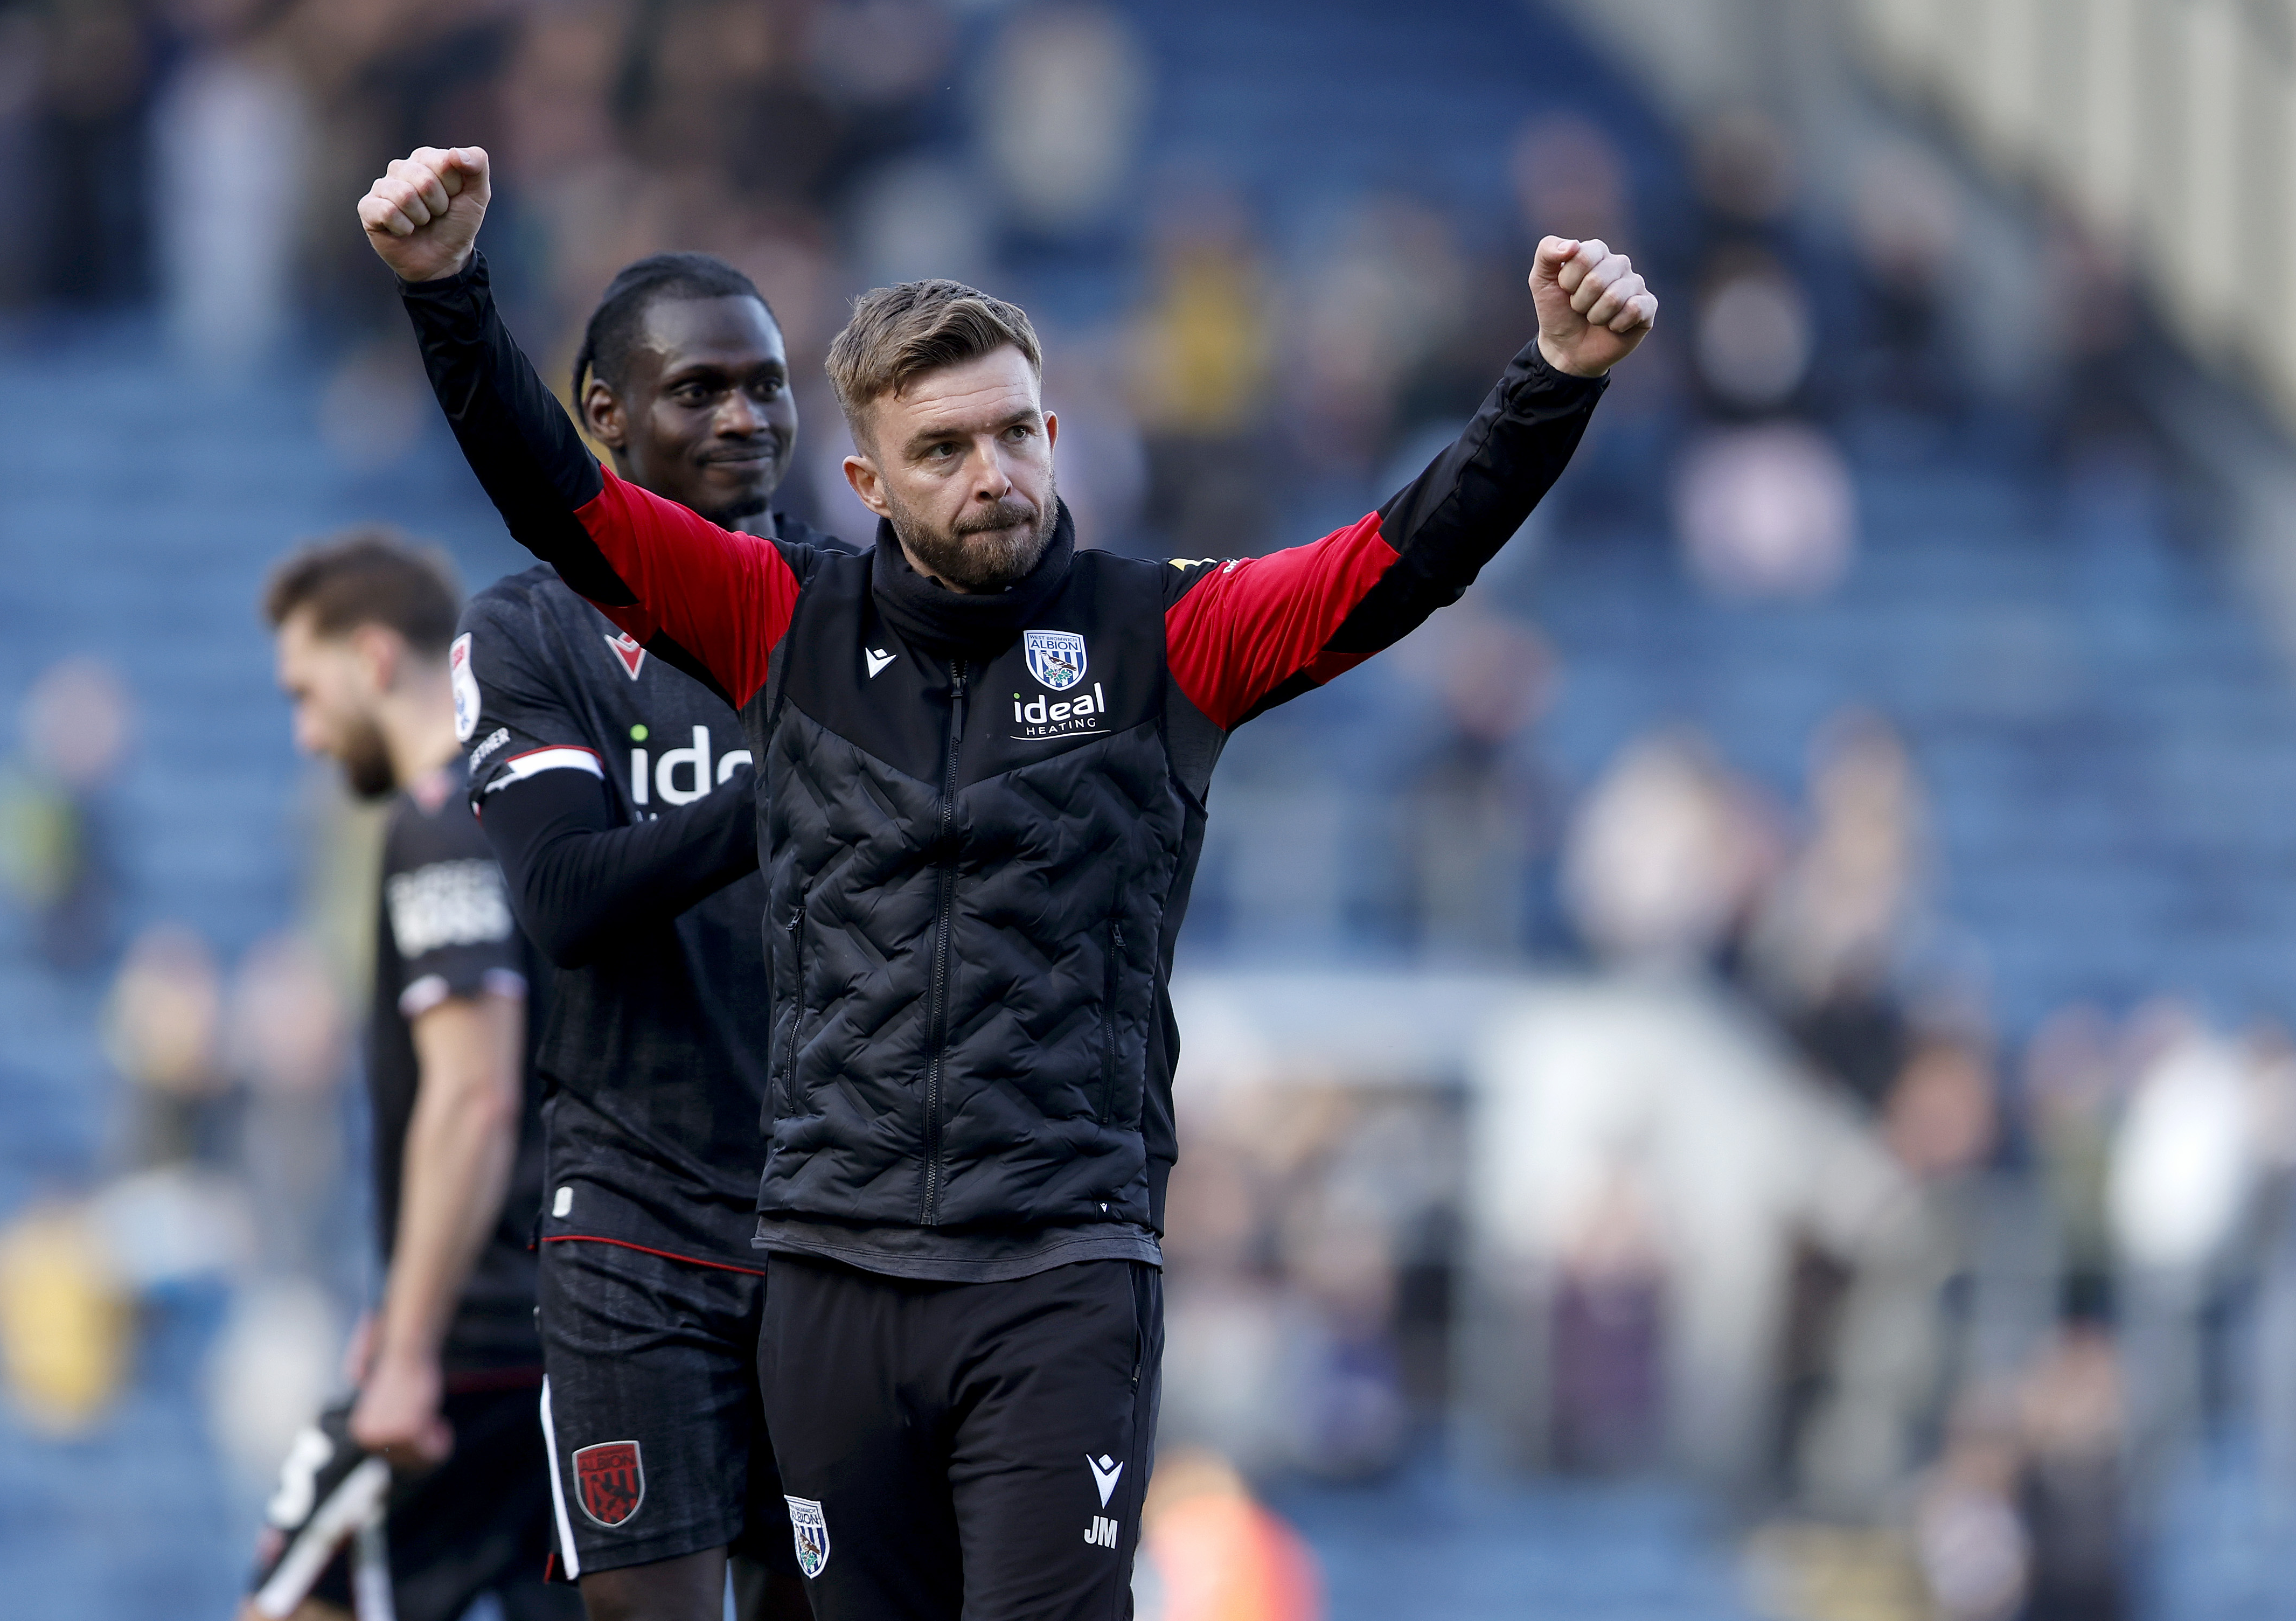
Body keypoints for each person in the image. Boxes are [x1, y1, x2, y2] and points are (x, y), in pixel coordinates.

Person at [360, 144, 1654, 1620]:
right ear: (865, 481)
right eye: (945, 450)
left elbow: (1401, 560)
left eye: (1018, 433)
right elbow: (557, 503)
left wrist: (1553, 375)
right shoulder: (782, 619)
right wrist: (446, 291)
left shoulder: (1166, 636)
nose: (995, 475)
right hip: (830, 1278)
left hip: (1059, 1269)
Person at [455, 252, 838, 1621]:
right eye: (702, 390)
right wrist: (788, 785)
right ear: (604, 414)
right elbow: (562, 898)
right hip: (637, 1221)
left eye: (768, 387)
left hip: (843, 1229)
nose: (747, 418)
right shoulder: (530, 630)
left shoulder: (864, 617)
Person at [245, 530, 578, 1621]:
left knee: (296, 1599)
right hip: (576, 1329)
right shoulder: (545, 802)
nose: (303, 733)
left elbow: (475, 1096)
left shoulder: (443, 823)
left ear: (374, 659)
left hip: (481, 1338)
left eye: (307, 691)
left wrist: (409, 1342)